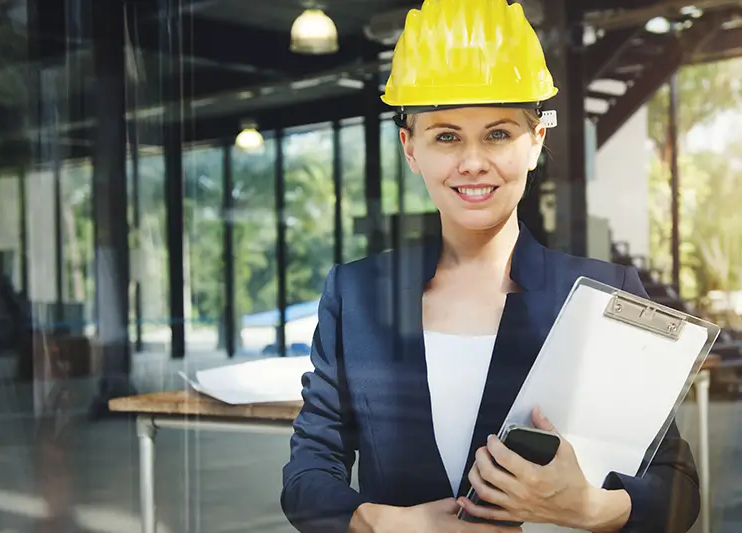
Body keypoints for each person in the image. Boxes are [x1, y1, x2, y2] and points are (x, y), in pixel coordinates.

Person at [280, 1, 700, 532]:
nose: (473, 161)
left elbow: (678, 488)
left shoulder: (603, 294)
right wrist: (379, 523)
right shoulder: (357, 295)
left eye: (498, 134)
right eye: (447, 136)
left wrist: (592, 508)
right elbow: (307, 472)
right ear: (411, 149)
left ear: (535, 141)